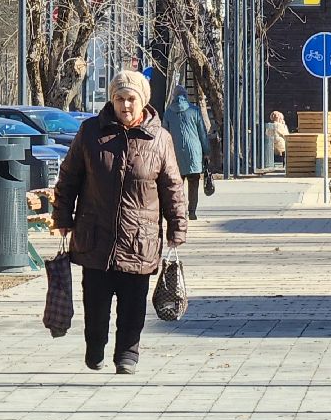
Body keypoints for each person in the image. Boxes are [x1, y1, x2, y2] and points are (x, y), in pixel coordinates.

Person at [52, 69, 188, 376]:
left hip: (139, 239)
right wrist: (62, 216)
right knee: (96, 305)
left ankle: (127, 353)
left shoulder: (159, 138)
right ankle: (95, 346)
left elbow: (172, 187)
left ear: (143, 101)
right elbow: (69, 177)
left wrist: (177, 226)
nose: (125, 105)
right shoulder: (91, 132)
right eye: (119, 99)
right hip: (95, 236)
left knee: (133, 305)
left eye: (131, 99)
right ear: (111, 100)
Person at [164, 86, 212, 219]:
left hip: (175, 153)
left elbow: (164, 134)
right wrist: (206, 151)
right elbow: (202, 133)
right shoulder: (194, 111)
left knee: (177, 184)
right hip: (194, 153)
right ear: (185, 96)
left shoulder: (168, 113)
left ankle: (180, 210)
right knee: (194, 183)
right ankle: (192, 212)